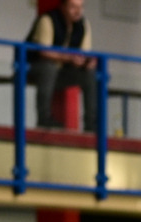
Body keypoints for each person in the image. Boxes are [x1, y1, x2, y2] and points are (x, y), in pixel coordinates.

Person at [25, 0, 97, 131]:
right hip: (33, 69)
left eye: (81, 7)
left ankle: (91, 125)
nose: (78, 11)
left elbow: (84, 53)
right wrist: (69, 58)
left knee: (90, 74)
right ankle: (44, 119)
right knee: (49, 68)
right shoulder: (47, 20)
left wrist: (88, 62)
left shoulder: (83, 24)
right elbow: (44, 52)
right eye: (73, 7)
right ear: (63, 7)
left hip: (62, 72)